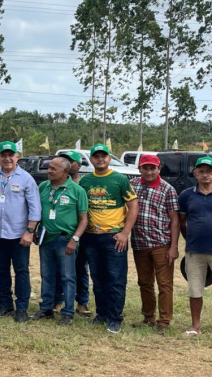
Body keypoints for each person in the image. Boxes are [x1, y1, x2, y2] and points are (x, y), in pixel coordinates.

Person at [80, 143, 139, 334]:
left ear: (109, 158)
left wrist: (125, 233)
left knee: (115, 279)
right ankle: (102, 313)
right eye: (96, 156)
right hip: (91, 237)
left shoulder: (119, 179)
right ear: (91, 159)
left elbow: (133, 205)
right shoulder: (85, 181)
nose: (100, 159)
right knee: (97, 278)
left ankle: (115, 318)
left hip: (114, 237)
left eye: (103, 156)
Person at [0, 141, 41, 323]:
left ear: (17, 157)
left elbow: (35, 208)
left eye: (11, 155)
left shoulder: (26, 178)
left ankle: (22, 308)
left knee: (21, 271)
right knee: (1, 269)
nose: (7, 158)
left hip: (19, 235)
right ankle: (5, 305)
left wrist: (29, 231)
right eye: (4, 155)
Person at [33, 157, 88, 326]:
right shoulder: (43, 187)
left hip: (66, 240)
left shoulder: (77, 190)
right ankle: (46, 308)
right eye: (49, 168)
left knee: (67, 277)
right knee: (47, 275)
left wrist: (74, 239)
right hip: (46, 238)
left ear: (65, 172)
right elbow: (37, 211)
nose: (49, 171)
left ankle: (68, 312)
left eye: (53, 169)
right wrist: (34, 230)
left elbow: (83, 219)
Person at [129, 154, 179, 334]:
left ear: (159, 169)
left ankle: (164, 321)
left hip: (161, 243)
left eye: (153, 168)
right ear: (139, 169)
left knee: (164, 284)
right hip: (139, 243)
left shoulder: (167, 189)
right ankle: (148, 317)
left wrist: (173, 247)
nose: (149, 171)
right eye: (145, 168)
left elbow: (174, 220)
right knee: (144, 282)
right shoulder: (132, 185)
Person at [55, 150, 92, 317]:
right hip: (62, 233)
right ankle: (58, 300)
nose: (68, 164)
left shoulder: (83, 183)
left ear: (79, 164)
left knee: (81, 268)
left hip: (82, 233)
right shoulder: (56, 183)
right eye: (64, 160)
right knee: (60, 268)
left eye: (71, 161)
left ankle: (82, 301)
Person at [178, 156, 212, 337]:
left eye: (209, 171)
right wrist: (190, 238)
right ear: (195, 174)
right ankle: (195, 326)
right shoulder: (186, 195)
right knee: (195, 289)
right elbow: (182, 222)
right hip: (195, 250)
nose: (206, 175)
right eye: (202, 171)